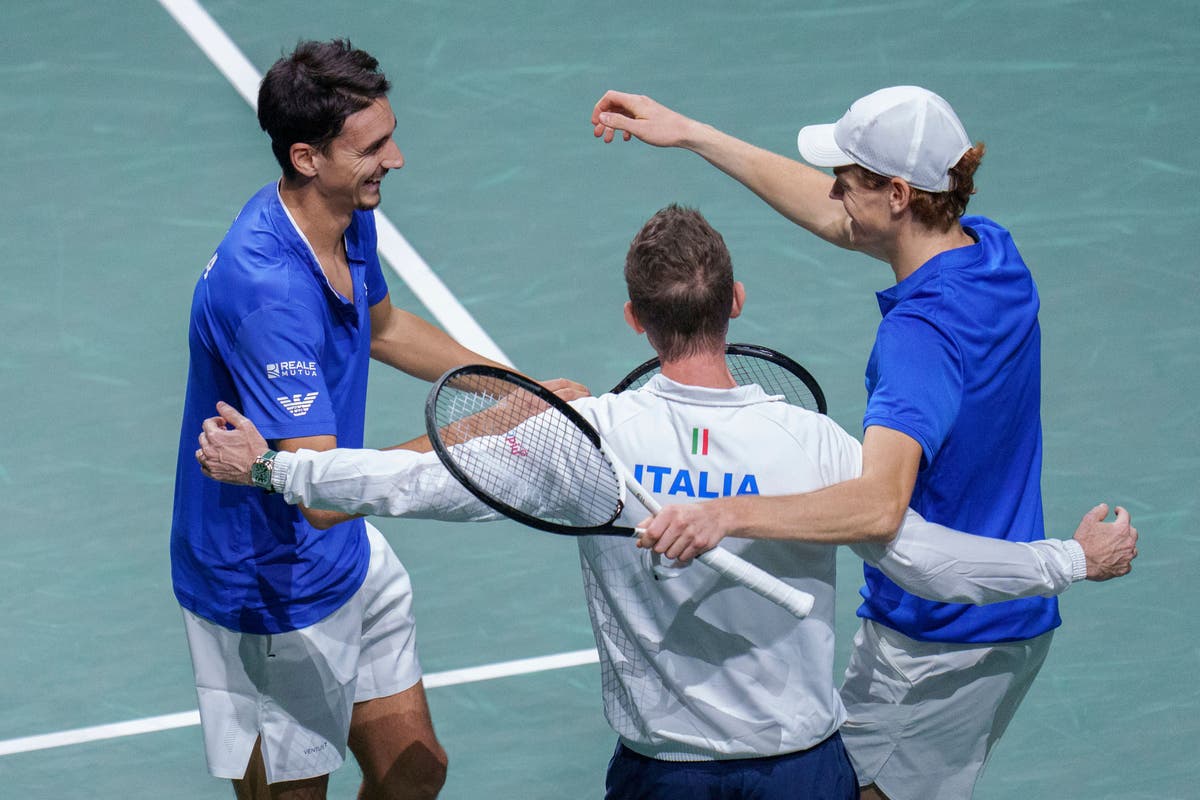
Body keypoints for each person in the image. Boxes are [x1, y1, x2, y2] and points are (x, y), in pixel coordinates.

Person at [193, 206, 1137, 800]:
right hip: (805, 772)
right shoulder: (811, 445)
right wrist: (1070, 561)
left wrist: (274, 470)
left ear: (635, 319)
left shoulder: (589, 438)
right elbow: (929, 559)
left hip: (662, 778)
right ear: (736, 299)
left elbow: (413, 481)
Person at [589, 87, 1124, 798]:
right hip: (972, 612)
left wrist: (725, 513)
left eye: (850, 175)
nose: (833, 188)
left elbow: (877, 508)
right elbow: (837, 217)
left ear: (900, 193)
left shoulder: (918, 342)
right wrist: (690, 132)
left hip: (944, 639)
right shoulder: (990, 252)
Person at [171, 39, 584, 800]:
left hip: (344, 554)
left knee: (414, 772)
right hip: (268, 581)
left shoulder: (341, 214)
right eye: (372, 147)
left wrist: (511, 386)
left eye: (389, 135)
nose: (395, 159)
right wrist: (488, 429)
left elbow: (384, 327)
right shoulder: (266, 292)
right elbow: (322, 492)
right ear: (307, 157)